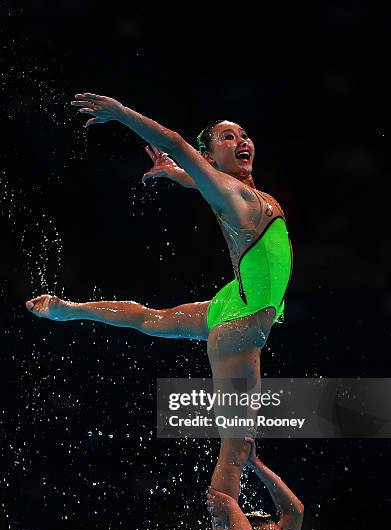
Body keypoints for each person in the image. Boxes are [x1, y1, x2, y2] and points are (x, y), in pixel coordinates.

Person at [25, 93, 293, 497]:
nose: (242, 141)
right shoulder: (233, 195)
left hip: (235, 303)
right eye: (227, 137)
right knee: (236, 449)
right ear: (210, 156)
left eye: (243, 135)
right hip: (242, 323)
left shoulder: (235, 192)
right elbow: (177, 143)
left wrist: (176, 175)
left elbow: (199, 175)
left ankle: (69, 310)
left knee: (150, 318)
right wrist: (121, 113)